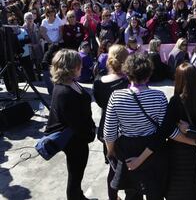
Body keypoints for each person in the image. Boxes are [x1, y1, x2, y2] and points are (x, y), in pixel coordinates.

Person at [104, 53, 187, 200]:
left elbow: (109, 133)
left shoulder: (116, 96)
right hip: (154, 151)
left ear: (127, 73)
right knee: (155, 193)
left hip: (128, 149)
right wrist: (195, 141)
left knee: (132, 193)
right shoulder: (158, 96)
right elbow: (166, 131)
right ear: (148, 75)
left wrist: (111, 152)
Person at [45, 49, 96, 200]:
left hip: (78, 138)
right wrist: (89, 135)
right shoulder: (64, 92)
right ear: (72, 68)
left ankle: (79, 195)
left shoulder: (69, 82)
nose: (82, 67)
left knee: (77, 174)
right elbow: (75, 124)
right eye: (79, 65)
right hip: (75, 141)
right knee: (75, 175)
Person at [165, 63, 196, 200]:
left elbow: (168, 130)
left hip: (179, 155)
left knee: (179, 190)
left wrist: (189, 130)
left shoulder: (176, 101)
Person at [93, 45, 129, 200]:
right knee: (130, 166)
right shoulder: (129, 80)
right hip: (127, 128)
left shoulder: (98, 82)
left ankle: (112, 198)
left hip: (107, 128)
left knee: (113, 168)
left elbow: (101, 104)